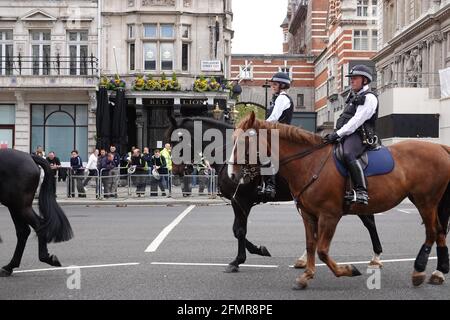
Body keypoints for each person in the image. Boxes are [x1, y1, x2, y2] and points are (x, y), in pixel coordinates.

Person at [323, 65, 379, 205]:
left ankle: (361, 191)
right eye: (351, 79)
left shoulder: (369, 98)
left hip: (361, 136)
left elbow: (356, 121)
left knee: (348, 153)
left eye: (355, 79)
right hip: (349, 134)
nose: (351, 81)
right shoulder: (355, 96)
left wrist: (337, 134)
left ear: (365, 80)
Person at [258, 71, 294, 200]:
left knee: (266, 154)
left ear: (282, 85)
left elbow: (274, 118)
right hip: (274, 131)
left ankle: (270, 185)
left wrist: (258, 126)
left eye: (275, 84)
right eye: (272, 84)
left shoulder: (282, 98)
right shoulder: (277, 98)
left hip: (280, 132)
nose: (272, 86)